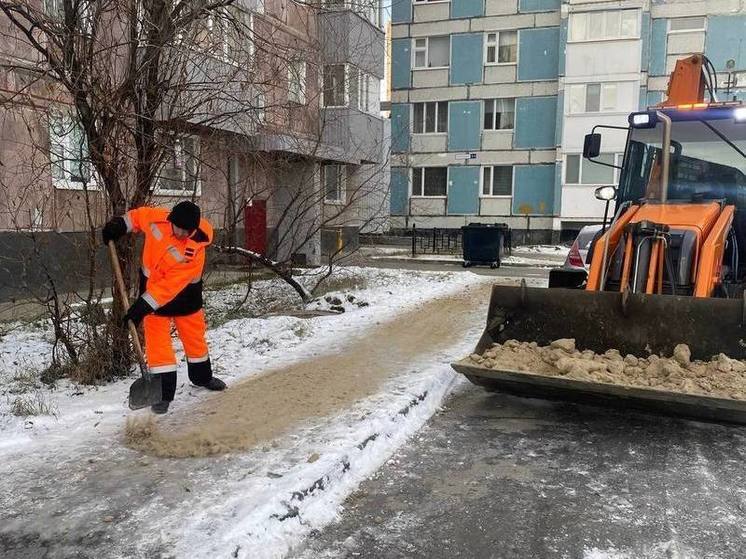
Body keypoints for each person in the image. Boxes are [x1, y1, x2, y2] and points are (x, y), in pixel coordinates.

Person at [102, 201, 226, 414]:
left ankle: (202, 377)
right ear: (171, 221)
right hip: (152, 292)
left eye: (187, 230)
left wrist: (142, 306)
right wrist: (120, 226)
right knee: (157, 344)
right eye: (178, 228)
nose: (181, 233)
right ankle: (164, 394)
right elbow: (138, 216)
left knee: (195, 340)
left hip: (184, 297)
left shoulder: (195, 248)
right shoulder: (158, 219)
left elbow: (170, 286)